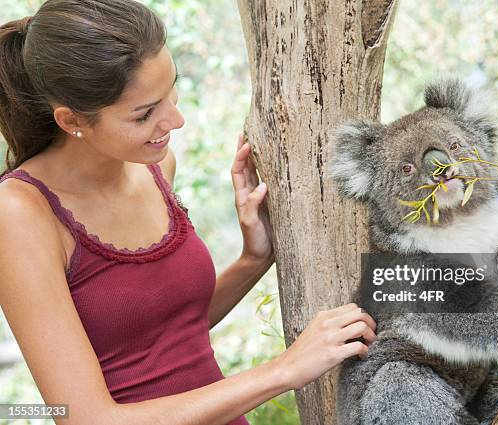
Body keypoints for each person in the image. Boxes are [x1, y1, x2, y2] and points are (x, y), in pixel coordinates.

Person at [0, 1, 377, 424]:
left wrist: (254, 259)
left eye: (170, 90)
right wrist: (285, 370)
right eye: (144, 113)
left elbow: (166, 336)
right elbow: (86, 418)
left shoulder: (157, 168)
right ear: (72, 120)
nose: (174, 120)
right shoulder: (20, 212)